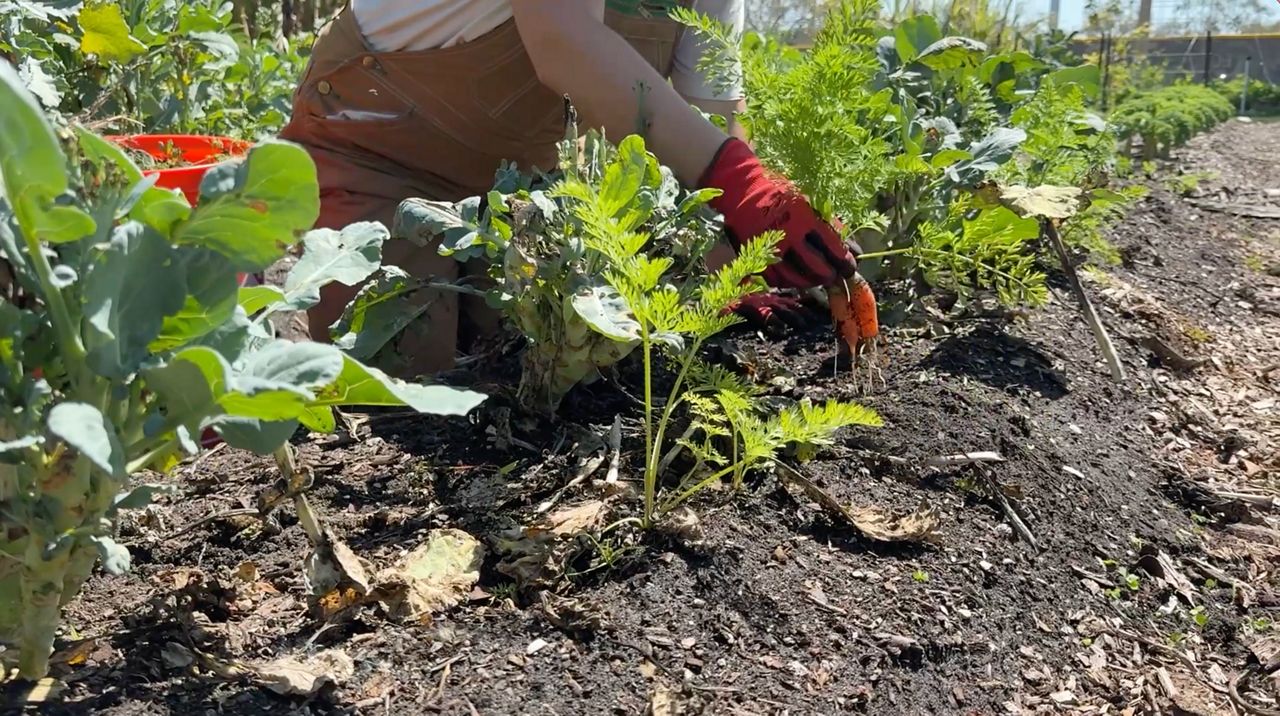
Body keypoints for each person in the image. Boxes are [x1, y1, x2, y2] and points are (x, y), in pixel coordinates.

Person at [279, 0, 874, 376]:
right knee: (401, 383)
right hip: (374, 158)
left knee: (545, 363)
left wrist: (732, 257)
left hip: (514, 199)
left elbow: (710, 125)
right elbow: (563, 41)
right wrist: (740, 183)